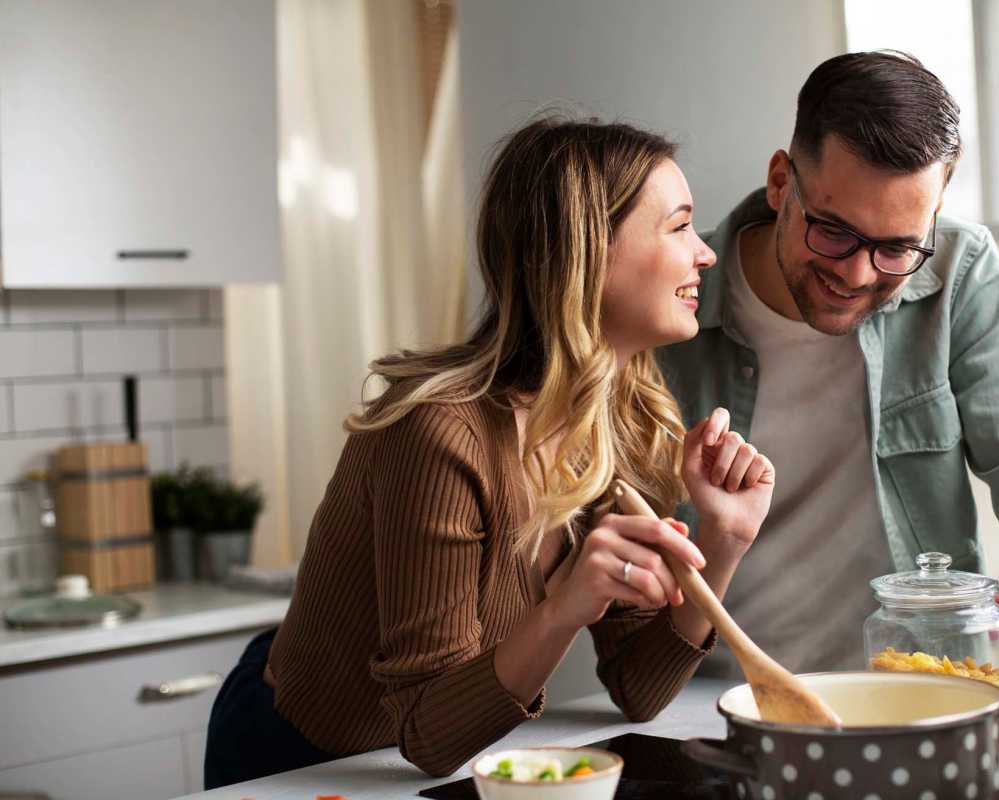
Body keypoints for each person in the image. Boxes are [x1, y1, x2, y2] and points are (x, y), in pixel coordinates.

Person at [204, 116, 777, 786]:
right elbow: (426, 732)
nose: (704, 254)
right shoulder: (438, 433)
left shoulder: (624, 419)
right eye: (678, 226)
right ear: (587, 252)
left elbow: (640, 689)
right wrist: (564, 608)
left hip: (427, 768)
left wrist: (726, 541)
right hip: (298, 765)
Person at [658, 51, 999, 680]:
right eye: (833, 231)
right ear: (779, 183)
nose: (856, 275)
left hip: (921, 687)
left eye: (897, 247)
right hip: (717, 701)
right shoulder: (673, 295)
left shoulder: (959, 269)